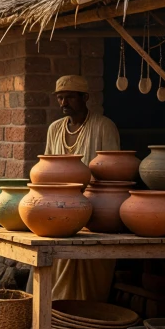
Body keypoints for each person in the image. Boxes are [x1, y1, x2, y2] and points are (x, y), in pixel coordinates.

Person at [44, 74, 120, 302]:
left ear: (85, 97)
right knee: (56, 257)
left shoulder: (104, 126)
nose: (63, 103)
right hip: (60, 210)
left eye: (70, 97)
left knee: (92, 264)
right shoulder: (55, 129)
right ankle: (56, 311)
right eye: (60, 98)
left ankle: (89, 311)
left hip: (96, 209)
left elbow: (115, 171)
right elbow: (47, 168)